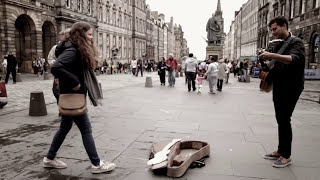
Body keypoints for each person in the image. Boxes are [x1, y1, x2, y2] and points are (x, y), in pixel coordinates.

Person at [44, 22, 116, 174]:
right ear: (80, 35)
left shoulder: (75, 48)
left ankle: (49, 158)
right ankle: (97, 164)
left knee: (65, 127)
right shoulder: (73, 51)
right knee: (86, 129)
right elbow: (56, 67)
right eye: (89, 35)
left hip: (70, 95)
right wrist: (75, 81)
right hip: (73, 95)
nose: (91, 38)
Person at [258, 16, 305, 168]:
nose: (273, 33)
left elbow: (294, 59)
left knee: (285, 119)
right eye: (271, 30)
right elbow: (276, 65)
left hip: (292, 86)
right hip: (279, 84)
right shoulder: (277, 44)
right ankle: (280, 150)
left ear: (284, 26)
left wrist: (272, 55)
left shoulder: (296, 42)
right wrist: (266, 60)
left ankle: (286, 156)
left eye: (275, 29)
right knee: (280, 119)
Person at [48, 29, 71, 106]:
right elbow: (50, 59)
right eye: (61, 35)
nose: (63, 37)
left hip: (69, 73)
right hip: (59, 72)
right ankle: (61, 107)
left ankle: (69, 109)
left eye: (64, 35)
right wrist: (57, 62)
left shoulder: (71, 46)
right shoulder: (56, 47)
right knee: (56, 91)